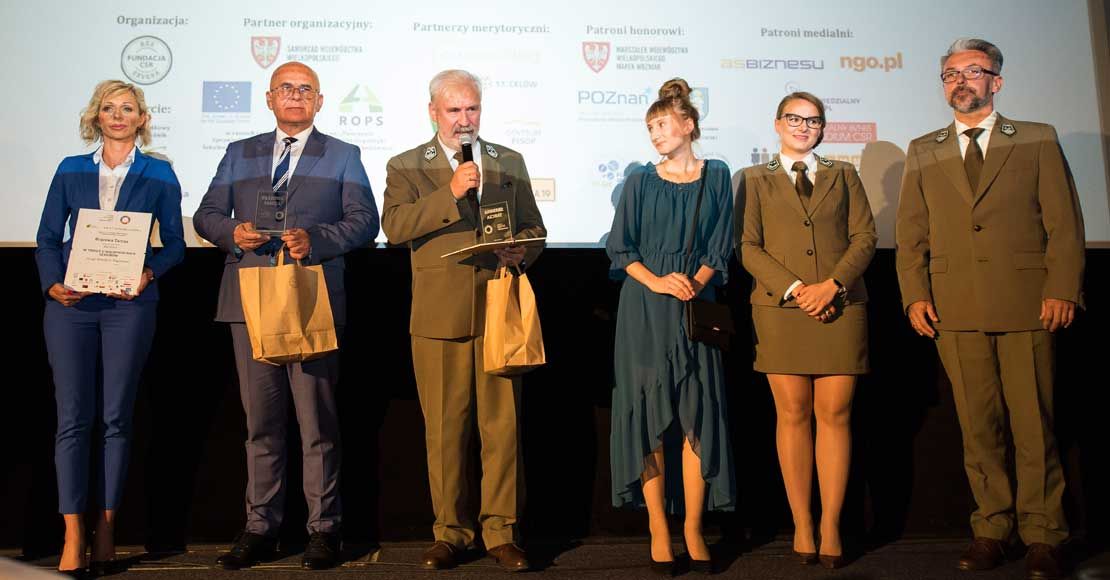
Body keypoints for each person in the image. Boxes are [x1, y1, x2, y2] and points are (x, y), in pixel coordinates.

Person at [896, 38, 1085, 580]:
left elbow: (1064, 223)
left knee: (1034, 425)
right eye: (950, 74)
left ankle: (1044, 533)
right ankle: (992, 529)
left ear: (996, 81)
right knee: (979, 428)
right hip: (954, 309)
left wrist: (1063, 288)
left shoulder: (1036, 137)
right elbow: (911, 234)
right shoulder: (924, 148)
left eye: (972, 71)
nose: (960, 81)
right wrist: (914, 294)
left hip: (1028, 304)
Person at [193, 61, 379, 571]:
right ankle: (260, 528)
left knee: (317, 423)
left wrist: (315, 239)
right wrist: (233, 232)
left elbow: (365, 220)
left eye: (305, 89)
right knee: (261, 425)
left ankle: (324, 530)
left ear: (319, 101)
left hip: (310, 296)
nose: (295, 96)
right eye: (286, 88)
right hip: (249, 300)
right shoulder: (239, 152)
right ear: (270, 98)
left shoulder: (343, 154)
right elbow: (206, 215)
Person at [381, 69, 545, 572]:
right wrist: (450, 193)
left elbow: (534, 228)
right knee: (445, 431)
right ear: (433, 112)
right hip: (438, 316)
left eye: (471, 108)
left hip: (499, 309)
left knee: (503, 429)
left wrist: (522, 251)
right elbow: (395, 227)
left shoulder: (508, 161)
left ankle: (502, 532)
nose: (464, 119)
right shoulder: (406, 165)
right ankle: (450, 533)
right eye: (454, 110)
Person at [35, 79, 185, 577]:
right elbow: (47, 237)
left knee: (117, 418)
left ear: (142, 118)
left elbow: (175, 245)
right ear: (95, 117)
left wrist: (148, 273)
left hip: (128, 305)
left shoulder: (159, 173)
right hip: (72, 305)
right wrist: (52, 283)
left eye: (127, 108)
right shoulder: (70, 168)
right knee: (72, 419)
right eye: (108, 108)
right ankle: (73, 532)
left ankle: (106, 528)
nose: (118, 115)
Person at [737, 91, 877, 569]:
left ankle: (832, 524)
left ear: (822, 129)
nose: (803, 127)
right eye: (794, 119)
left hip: (841, 305)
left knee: (836, 415)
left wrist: (833, 285)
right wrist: (798, 290)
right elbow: (747, 246)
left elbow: (865, 237)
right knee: (792, 414)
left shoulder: (845, 174)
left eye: (813, 120)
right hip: (781, 309)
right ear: (778, 124)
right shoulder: (753, 178)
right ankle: (802, 522)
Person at [606, 78, 735, 575]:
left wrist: (694, 283)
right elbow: (622, 249)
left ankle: (693, 528)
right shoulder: (640, 180)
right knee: (648, 418)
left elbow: (719, 246)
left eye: (662, 124)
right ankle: (659, 529)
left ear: (689, 125)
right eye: (650, 127)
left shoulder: (716, 175)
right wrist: (660, 283)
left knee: (696, 416)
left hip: (695, 305)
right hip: (644, 307)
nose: (656, 134)